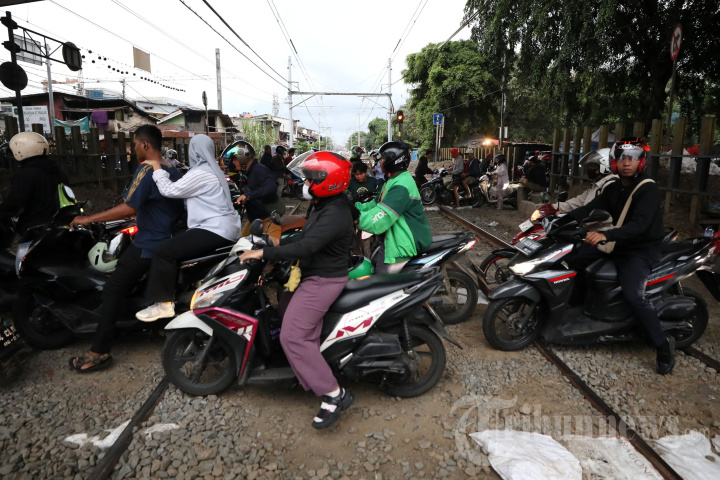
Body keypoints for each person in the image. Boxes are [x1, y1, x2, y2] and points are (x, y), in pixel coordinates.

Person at [239, 151, 357, 429]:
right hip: (311, 273)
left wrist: (263, 253)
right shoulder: (324, 204)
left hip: (323, 280)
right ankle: (305, 365)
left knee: (293, 336)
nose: (305, 183)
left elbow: (306, 246)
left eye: (310, 179)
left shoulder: (336, 212)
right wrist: (274, 243)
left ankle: (334, 394)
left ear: (327, 181)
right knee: (284, 312)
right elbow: (306, 236)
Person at [68, 125, 184, 372]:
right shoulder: (172, 169)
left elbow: (129, 207)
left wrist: (88, 219)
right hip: (171, 239)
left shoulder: (146, 169)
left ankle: (99, 352)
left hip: (149, 243)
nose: (133, 149)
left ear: (144, 145)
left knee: (113, 289)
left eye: (134, 144)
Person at [565, 137, 672, 374]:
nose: (627, 163)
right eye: (622, 158)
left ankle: (663, 347)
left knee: (635, 296)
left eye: (633, 158)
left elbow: (640, 226)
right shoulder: (614, 187)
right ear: (614, 162)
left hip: (639, 250)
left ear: (641, 162)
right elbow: (588, 209)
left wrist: (606, 235)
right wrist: (557, 217)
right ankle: (578, 307)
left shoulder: (648, 189)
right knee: (574, 259)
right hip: (616, 243)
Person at [135, 134, 243, 322]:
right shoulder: (213, 170)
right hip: (225, 227)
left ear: (193, 151)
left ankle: (163, 304)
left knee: (164, 251)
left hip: (214, 228)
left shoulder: (201, 173)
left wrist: (156, 166)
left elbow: (169, 190)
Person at [356, 142, 432, 274]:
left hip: (402, 242)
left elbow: (380, 219)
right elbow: (375, 203)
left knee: (380, 281)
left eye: (383, 158)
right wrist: (354, 207)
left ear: (394, 160)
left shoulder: (401, 186)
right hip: (390, 238)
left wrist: (355, 218)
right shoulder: (393, 180)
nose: (380, 162)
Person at [0, 132, 71, 240]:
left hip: (36, 227)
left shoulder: (25, 174)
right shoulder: (57, 171)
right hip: (61, 223)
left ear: (21, 151)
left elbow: (15, 203)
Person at [234, 141, 283, 241]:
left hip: (268, 220)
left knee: (272, 246)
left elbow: (271, 186)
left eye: (234, 159)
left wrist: (248, 196)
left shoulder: (259, 169)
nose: (233, 162)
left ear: (243, 156)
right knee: (241, 244)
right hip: (255, 221)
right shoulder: (247, 172)